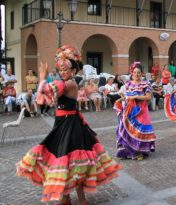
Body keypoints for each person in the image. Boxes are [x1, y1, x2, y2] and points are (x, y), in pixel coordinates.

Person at [16, 45, 121, 204]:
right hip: (62, 124)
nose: (63, 72)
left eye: (66, 69)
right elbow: (47, 98)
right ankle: (66, 198)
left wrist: (43, 76)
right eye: (61, 70)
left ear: (73, 71)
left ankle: (80, 200)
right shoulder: (66, 83)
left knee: (71, 161)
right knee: (64, 161)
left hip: (70, 126)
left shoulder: (70, 83)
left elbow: (46, 92)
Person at [114, 63, 156, 160]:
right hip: (130, 109)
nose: (136, 74)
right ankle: (127, 151)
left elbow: (148, 97)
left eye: (139, 72)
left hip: (142, 110)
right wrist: (120, 100)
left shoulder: (145, 84)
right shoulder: (128, 84)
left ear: (142, 74)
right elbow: (126, 97)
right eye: (135, 72)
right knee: (127, 129)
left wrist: (136, 97)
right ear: (132, 73)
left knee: (139, 131)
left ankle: (138, 151)